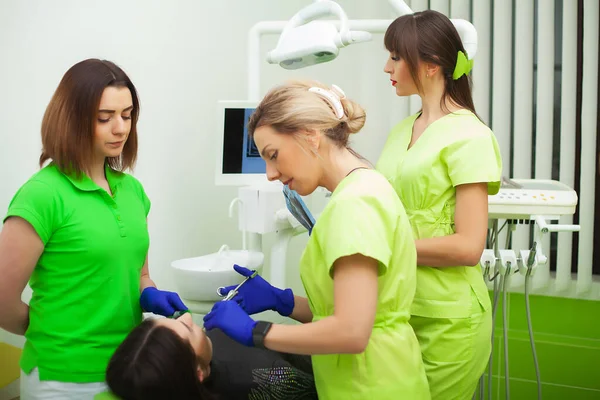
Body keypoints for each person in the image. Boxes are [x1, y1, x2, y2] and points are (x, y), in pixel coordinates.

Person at [203, 80, 431, 400]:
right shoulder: (363, 187)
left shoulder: (354, 204)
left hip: (372, 385)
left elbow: (351, 332)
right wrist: (281, 301)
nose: (269, 173)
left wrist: (257, 332)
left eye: (273, 155)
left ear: (310, 135)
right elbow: (351, 312)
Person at [0, 58, 188, 400]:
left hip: (128, 371)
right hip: (62, 379)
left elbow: (140, 274)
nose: (120, 128)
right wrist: (51, 329)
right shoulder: (42, 195)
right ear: (72, 119)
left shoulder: (133, 193)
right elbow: (1, 299)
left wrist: (148, 293)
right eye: (105, 118)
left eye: (127, 115)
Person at [376, 11, 503, 399]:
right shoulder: (403, 130)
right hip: (400, 310)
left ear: (431, 65)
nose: (387, 67)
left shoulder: (469, 135)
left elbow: (468, 247)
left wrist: (390, 250)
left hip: (450, 321)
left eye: (396, 57)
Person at [102, 311, 318, 400]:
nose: (187, 316)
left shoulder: (215, 338)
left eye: (176, 320)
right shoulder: (268, 381)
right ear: (197, 372)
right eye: (187, 329)